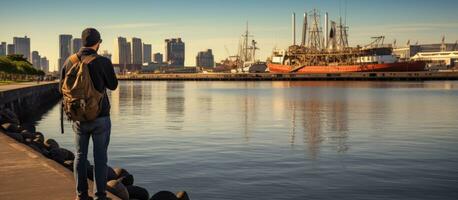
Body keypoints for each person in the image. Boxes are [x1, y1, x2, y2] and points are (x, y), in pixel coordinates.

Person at [59, 28, 118, 200]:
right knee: (100, 159)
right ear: (98, 42)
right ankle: (100, 196)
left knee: (79, 156)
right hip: (100, 117)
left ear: (82, 42)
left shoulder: (69, 62)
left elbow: (60, 89)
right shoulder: (102, 61)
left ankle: (81, 195)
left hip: (78, 118)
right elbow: (113, 85)